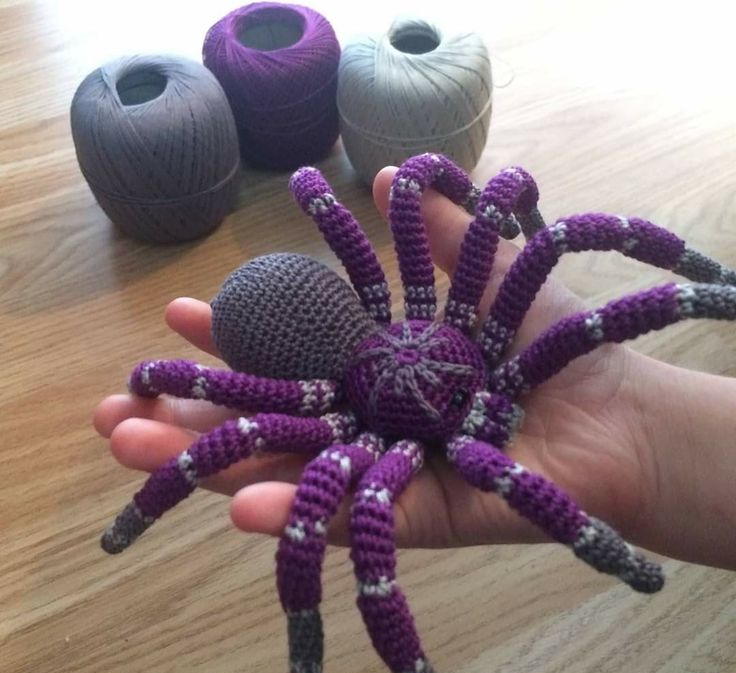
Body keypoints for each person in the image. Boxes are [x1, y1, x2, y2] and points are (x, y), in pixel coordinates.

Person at [94, 167, 736, 570]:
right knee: (267, 474)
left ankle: (716, 284)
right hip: (336, 370)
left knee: (558, 238)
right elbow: (311, 188)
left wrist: (526, 217)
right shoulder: (364, 422)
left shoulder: (447, 340)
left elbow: (412, 185)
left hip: (368, 345)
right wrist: (148, 380)